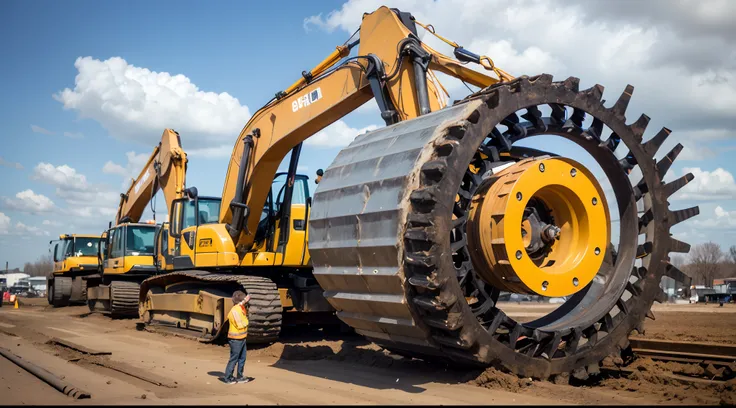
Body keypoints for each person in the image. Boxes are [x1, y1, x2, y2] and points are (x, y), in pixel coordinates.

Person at [222, 290, 252, 384]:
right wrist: (247, 321)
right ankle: (228, 377)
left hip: (241, 338)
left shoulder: (239, 307)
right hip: (235, 340)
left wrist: (246, 299)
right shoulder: (235, 311)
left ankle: (240, 376)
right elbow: (241, 324)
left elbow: (241, 303)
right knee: (234, 359)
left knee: (242, 358)